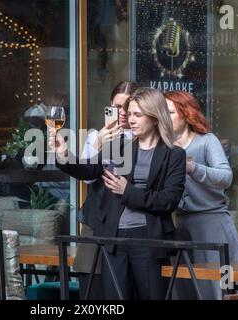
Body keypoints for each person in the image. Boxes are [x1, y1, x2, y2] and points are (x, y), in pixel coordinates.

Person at [51, 88, 186, 299]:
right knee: (115, 299)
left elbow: (169, 200)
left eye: (137, 115)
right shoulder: (120, 146)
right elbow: (89, 169)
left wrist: (127, 192)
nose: (131, 120)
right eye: (129, 114)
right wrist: (64, 155)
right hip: (113, 239)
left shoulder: (174, 154)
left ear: (154, 117)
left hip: (149, 240)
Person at [164, 90, 238, 300]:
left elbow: (226, 177)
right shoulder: (164, 148)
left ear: (186, 113)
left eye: (170, 112)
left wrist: (194, 169)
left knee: (223, 288)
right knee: (185, 290)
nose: (165, 117)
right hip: (182, 229)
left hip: (215, 228)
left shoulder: (207, 141)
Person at [77, 81, 139, 300]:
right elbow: (87, 177)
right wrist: (98, 145)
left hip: (129, 223)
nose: (122, 114)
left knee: (123, 288)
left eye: (127, 107)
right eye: (116, 107)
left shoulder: (144, 138)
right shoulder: (97, 136)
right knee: (91, 282)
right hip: (96, 218)